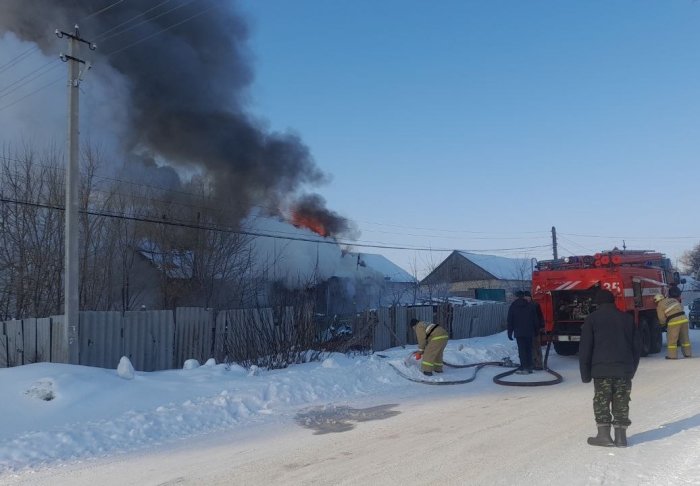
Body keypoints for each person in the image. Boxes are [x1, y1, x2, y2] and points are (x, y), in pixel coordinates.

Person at [579, 289, 641, 448]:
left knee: (601, 401)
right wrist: (632, 369)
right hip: (624, 370)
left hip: (601, 370)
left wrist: (585, 374)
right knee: (622, 401)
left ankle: (604, 436)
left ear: (598, 303)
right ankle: (621, 438)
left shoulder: (592, 319)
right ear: (613, 301)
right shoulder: (627, 319)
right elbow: (636, 347)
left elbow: (585, 348)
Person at [506, 290, 540, 374]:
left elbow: (510, 320)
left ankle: (523, 366)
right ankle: (529, 365)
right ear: (523, 296)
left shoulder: (513, 306)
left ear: (517, 296)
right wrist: (536, 330)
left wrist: (510, 332)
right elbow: (535, 319)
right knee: (528, 348)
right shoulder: (530, 305)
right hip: (529, 331)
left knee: (521, 349)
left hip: (519, 332)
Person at [655, 287, 692, 359]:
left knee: (672, 339)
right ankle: (688, 354)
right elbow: (681, 307)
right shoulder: (672, 300)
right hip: (684, 318)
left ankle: (672, 356)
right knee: (685, 338)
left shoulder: (660, 304)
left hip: (674, 321)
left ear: (657, 300)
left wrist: (663, 324)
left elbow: (661, 318)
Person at [523, 290, 545, 370]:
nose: (526, 298)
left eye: (528, 297)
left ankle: (539, 364)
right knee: (529, 347)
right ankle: (531, 363)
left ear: (530, 297)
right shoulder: (523, 306)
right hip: (526, 330)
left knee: (536, 347)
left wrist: (542, 326)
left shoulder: (535, 305)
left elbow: (540, 316)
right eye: (525, 297)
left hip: (535, 329)